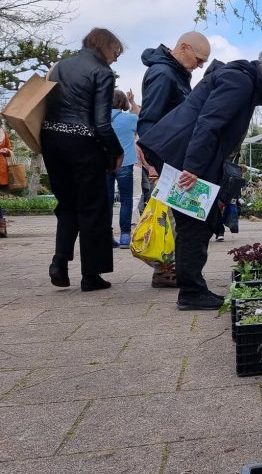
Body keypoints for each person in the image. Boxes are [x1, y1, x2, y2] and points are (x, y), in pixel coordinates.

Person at [139, 46, 262, 310]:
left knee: (200, 221)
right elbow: (209, 122)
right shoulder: (240, 81)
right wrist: (193, 166)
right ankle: (191, 293)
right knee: (193, 224)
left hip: (190, 155)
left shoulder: (243, 79)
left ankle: (191, 288)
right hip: (187, 156)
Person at [42, 28, 125, 291]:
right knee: (92, 208)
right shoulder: (102, 72)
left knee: (67, 204)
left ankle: (59, 262)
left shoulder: (60, 67)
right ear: (103, 46)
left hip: (52, 140)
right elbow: (101, 123)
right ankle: (91, 275)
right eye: (115, 51)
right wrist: (116, 151)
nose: (116, 57)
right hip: (83, 144)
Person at [138, 31, 211, 287]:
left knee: (176, 213)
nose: (200, 65)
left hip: (169, 153)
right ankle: (165, 268)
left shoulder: (176, 74)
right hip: (166, 156)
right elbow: (149, 119)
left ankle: (172, 267)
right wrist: (154, 163)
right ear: (184, 47)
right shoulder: (164, 74)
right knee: (171, 215)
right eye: (199, 58)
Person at [107, 89, 140, 247]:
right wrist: (133, 102)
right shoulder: (130, 119)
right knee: (126, 200)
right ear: (123, 102)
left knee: (106, 200)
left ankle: (107, 235)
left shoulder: (99, 119)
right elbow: (144, 119)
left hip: (104, 164)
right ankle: (125, 236)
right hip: (125, 163)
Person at [0, 125, 12, 237]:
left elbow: (10, 149)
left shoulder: (3, 133)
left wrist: (6, 150)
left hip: (1, 169)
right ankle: (2, 225)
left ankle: (1, 225)